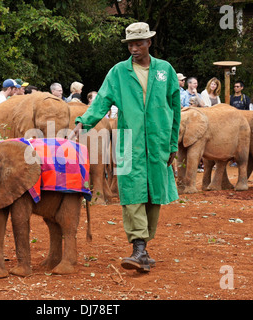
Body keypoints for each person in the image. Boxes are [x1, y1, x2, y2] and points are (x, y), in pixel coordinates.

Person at [70, 22, 181, 273]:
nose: (134, 48)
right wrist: (83, 122)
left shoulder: (165, 70)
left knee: (155, 195)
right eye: (130, 44)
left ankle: (144, 247)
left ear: (149, 43)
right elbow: (101, 101)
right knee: (131, 192)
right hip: (129, 141)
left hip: (159, 141)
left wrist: (172, 143)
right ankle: (138, 247)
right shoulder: (119, 72)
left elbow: (175, 110)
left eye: (139, 43)